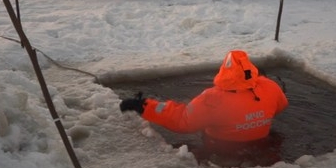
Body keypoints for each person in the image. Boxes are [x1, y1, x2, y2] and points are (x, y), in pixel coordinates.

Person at [119, 50, 288, 156]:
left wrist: (144, 106)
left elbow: (182, 122)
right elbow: (281, 106)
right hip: (263, 146)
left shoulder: (212, 99)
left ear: (224, 71)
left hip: (223, 151)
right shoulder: (270, 87)